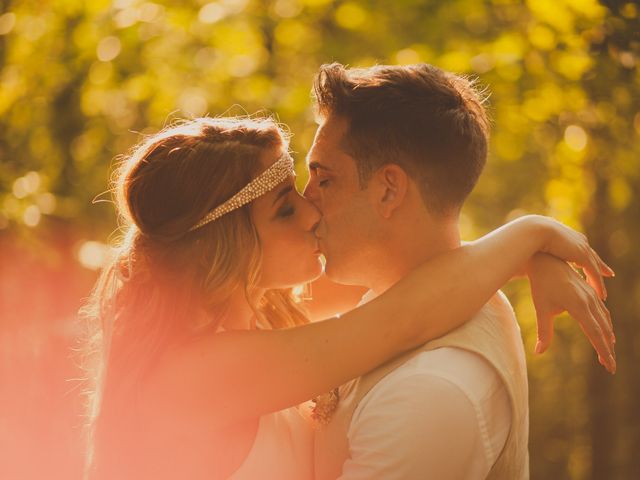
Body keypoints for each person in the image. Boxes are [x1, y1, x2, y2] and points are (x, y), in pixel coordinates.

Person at [79, 116, 613, 480]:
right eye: (285, 209)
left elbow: (420, 273)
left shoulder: (256, 315)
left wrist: (531, 259)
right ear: (225, 244)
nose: (313, 215)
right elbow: (404, 317)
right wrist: (531, 233)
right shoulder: (197, 372)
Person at [306, 63, 615, 480]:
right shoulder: (468, 292)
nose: (306, 206)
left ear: (388, 190)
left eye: (324, 180)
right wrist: (528, 246)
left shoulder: (427, 393)